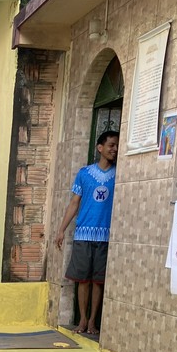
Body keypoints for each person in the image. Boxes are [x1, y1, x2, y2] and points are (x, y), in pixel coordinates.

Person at [53, 130, 119, 335]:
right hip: (83, 234)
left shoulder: (119, 174)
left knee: (98, 280)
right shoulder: (84, 173)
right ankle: (81, 319)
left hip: (105, 235)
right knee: (83, 279)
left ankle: (92, 322)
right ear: (100, 148)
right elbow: (74, 203)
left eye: (117, 146)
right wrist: (62, 229)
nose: (114, 150)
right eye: (111, 145)